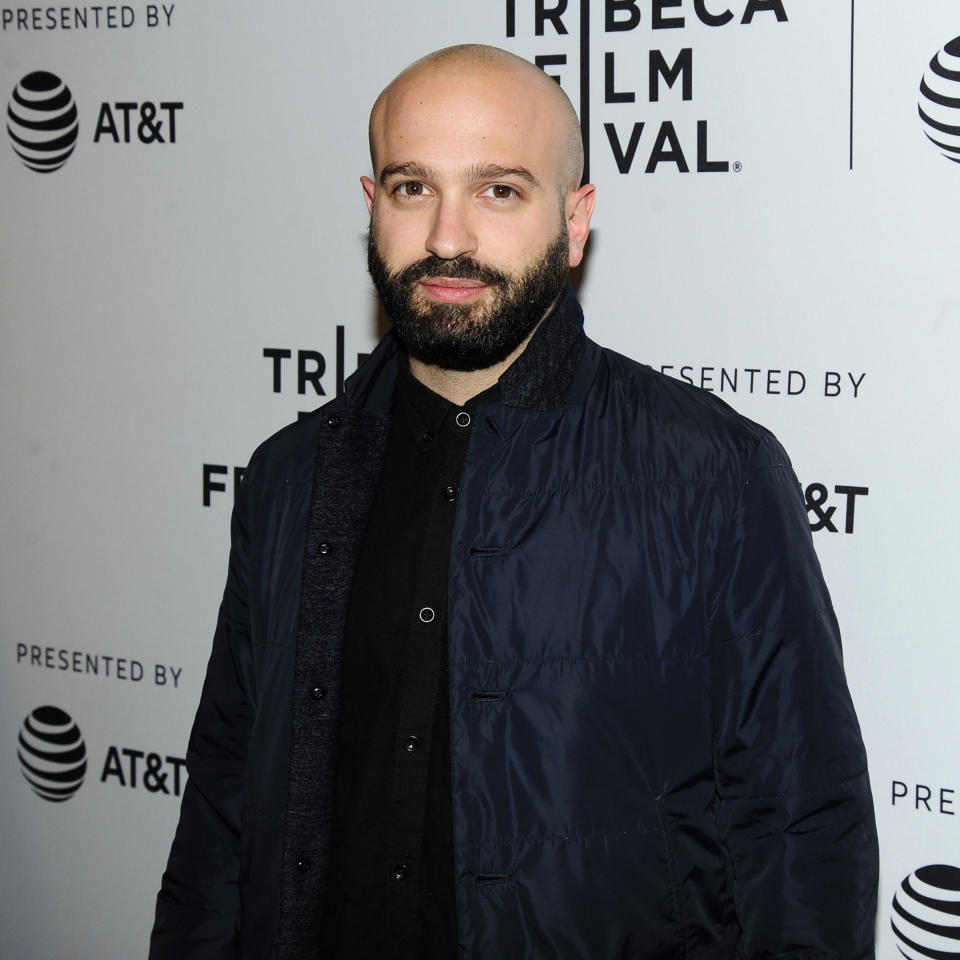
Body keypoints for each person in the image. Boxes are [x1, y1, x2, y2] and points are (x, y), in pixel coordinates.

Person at [150, 43, 879, 960]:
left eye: (499, 191)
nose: (448, 238)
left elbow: (804, 832)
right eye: (414, 189)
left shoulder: (715, 473)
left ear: (575, 223)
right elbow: (223, 811)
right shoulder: (290, 477)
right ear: (372, 209)